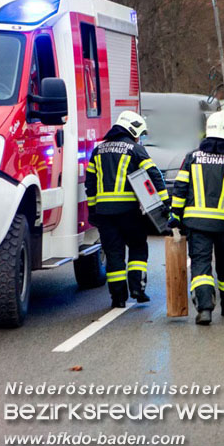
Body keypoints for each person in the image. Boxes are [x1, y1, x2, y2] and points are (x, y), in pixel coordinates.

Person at [168, 111, 224, 326]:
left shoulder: (191, 157)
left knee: (201, 264)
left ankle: (205, 309)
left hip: (196, 223)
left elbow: (180, 189)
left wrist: (175, 216)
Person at [85, 111, 169, 308]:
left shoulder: (98, 150)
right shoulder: (135, 149)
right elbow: (154, 175)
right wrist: (165, 204)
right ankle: (138, 289)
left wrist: (92, 210)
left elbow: (90, 183)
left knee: (114, 254)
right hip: (129, 212)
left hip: (105, 214)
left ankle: (118, 298)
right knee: (138, 247)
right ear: (133, 130)